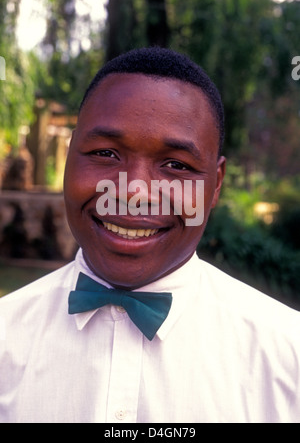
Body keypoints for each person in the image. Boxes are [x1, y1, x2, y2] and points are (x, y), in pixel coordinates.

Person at [0, 47, 299, 423]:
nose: (135, 191)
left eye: (176, 165)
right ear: (70, 155)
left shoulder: (288, 356)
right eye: (106, 153)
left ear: (216, 185)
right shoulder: (5, 337)